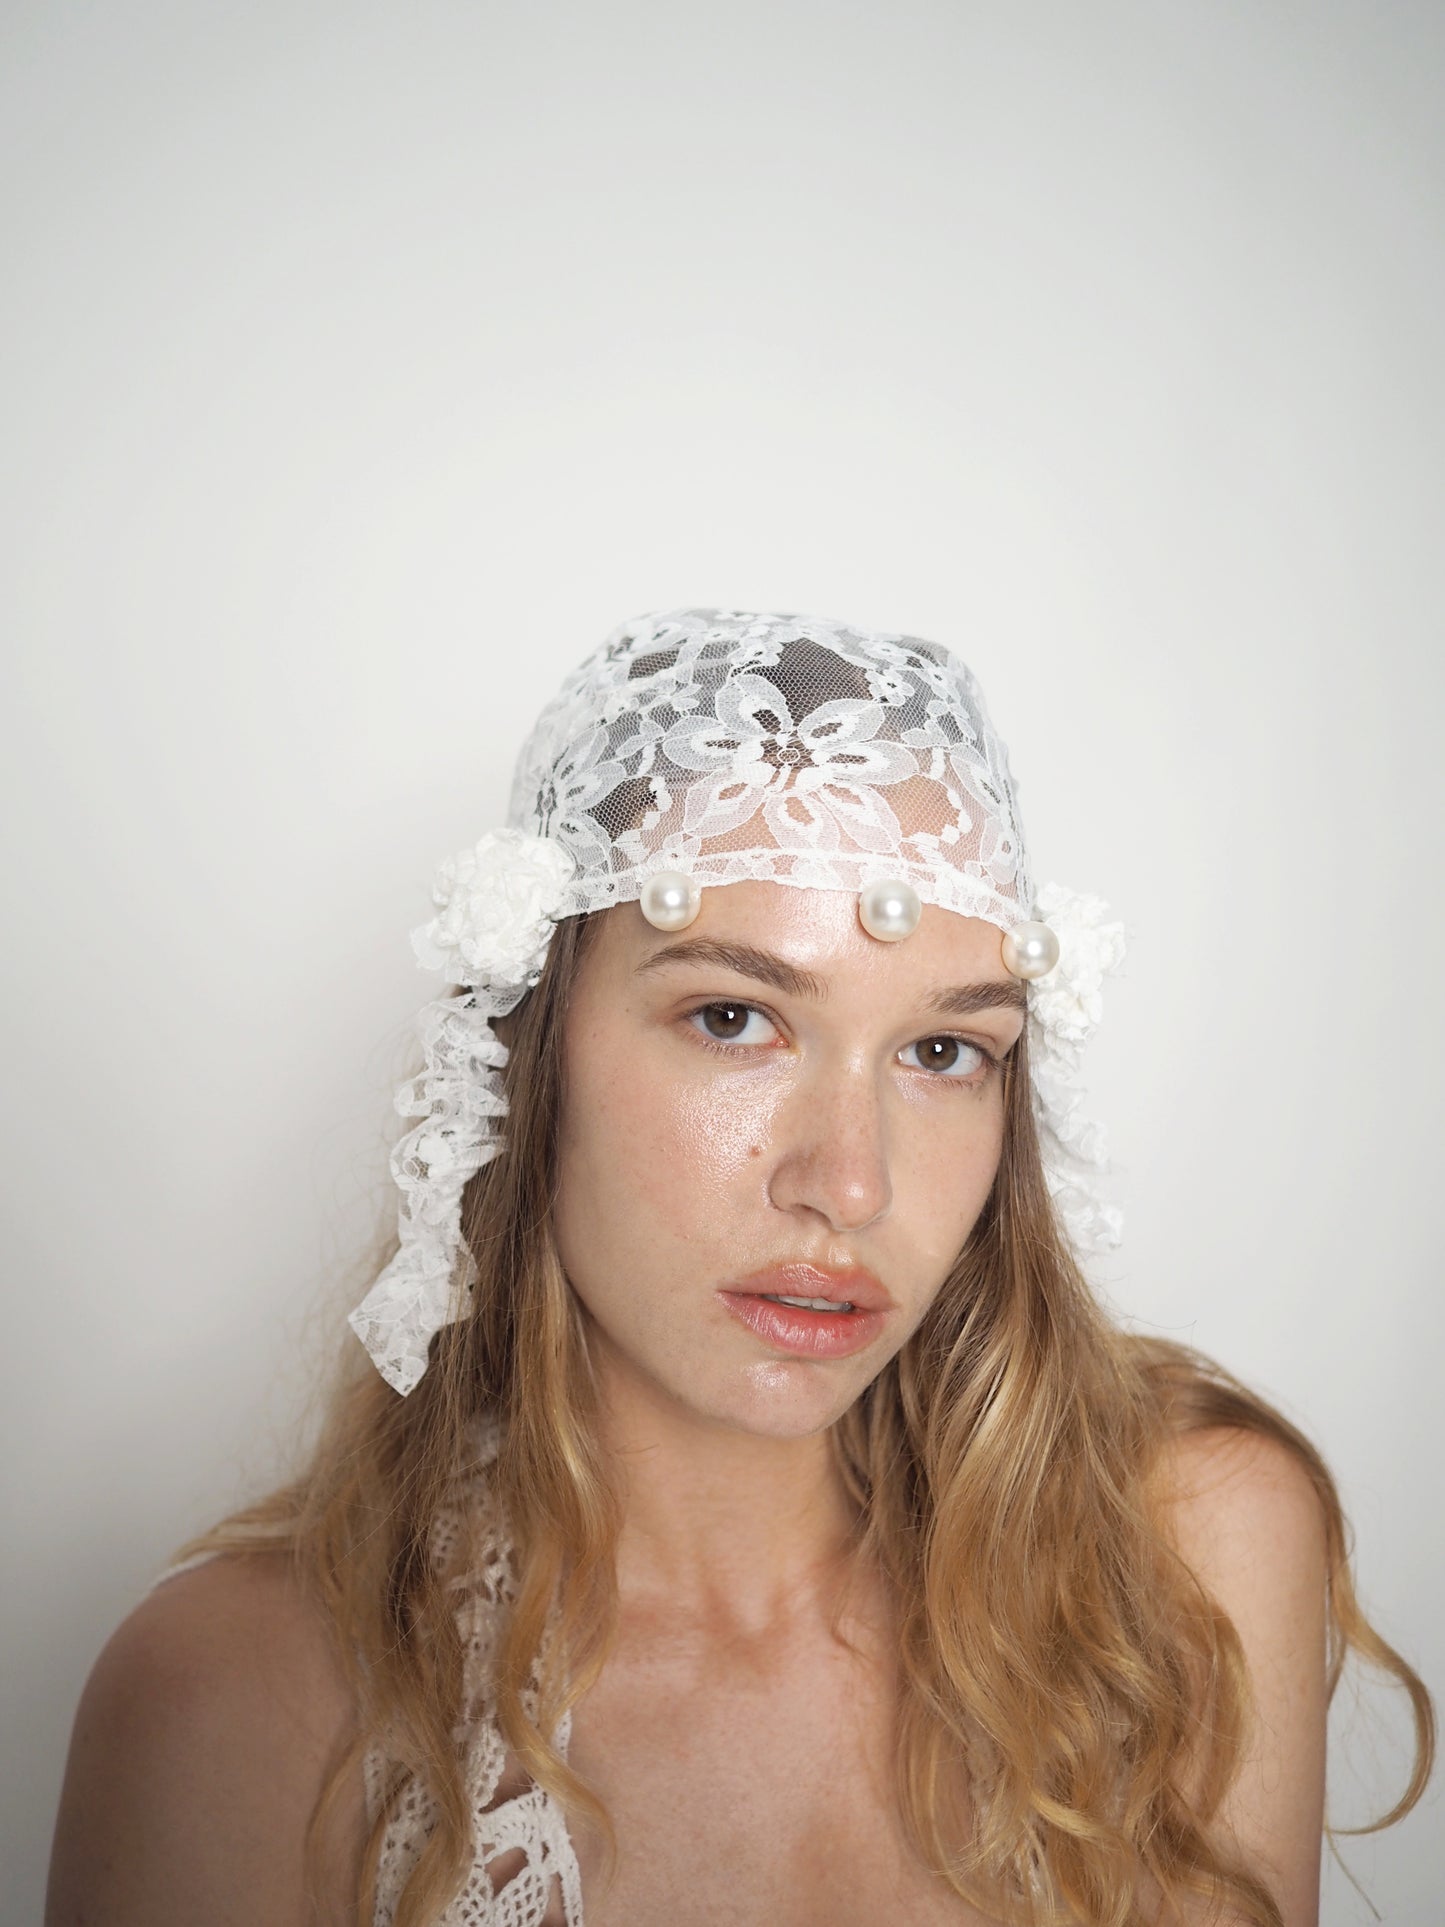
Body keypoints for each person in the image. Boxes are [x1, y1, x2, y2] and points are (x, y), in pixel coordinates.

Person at [46, 608, 1433, 1926]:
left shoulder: (1181, 1550)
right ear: (534, 1061)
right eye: (732, 1017)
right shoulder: (238, 1698)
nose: (847, 1182)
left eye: (943, 1051)